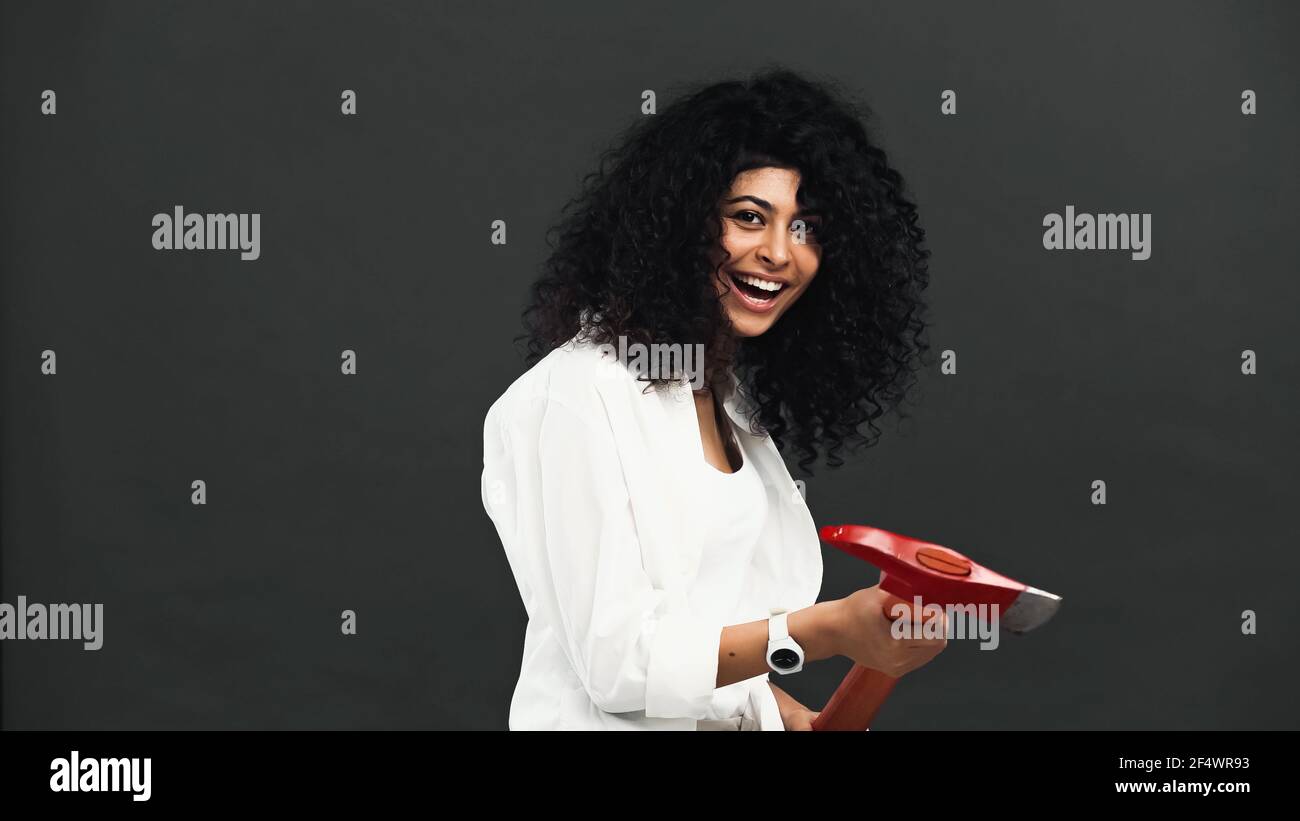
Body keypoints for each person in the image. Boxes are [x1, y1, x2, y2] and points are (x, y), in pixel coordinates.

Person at [480, 67, 945, 730]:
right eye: (750, 217)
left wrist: (807, 712)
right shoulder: (577, 396)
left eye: (807, 228)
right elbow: (620, 667)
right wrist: (830, 629)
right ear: (679, 222)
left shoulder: (725, 401)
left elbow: (704, 647)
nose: (780, 252)